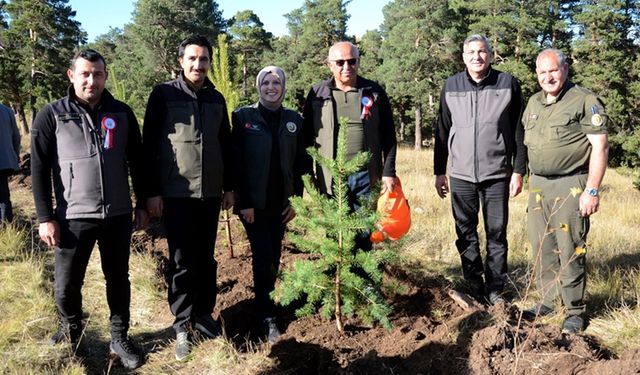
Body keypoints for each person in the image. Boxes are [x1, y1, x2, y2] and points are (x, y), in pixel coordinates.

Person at [30, 49, 146, 369]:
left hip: (118, 214)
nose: (91, 80)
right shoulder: (51, 115)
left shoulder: (121, 113)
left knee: (118, 279)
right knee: (67, 284)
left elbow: (137, 162)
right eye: (84, 74)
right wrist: (45, 217)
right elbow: (38, 170)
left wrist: (142, 203)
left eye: (97, 74)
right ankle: (71, 330)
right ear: (71, 76)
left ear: (105, 76)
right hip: (73, 216)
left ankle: (119, 336)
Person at [142, 35, 234, 361]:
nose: (198, 65)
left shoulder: (217, 98)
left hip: (209, 194)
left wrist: (229, 187)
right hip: (176, 193)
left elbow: (226, 144)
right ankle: (182, 322)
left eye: (204, 59)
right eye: (192, 59)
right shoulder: (163, 95)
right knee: (181, 260)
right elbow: (149, 146)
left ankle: (204, 314)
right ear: (181, 61)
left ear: (210, 62)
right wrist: (150, 193)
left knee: (206, 257)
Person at [433, 34, 526, 305]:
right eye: (472, 52)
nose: (477, 56)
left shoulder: (507, 83)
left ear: (491, 54)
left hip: (497, 174)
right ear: (463, 56)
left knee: (497, 232)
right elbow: (441, 130)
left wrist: (518, 171)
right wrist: (440, 171)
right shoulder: (451, 85)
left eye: (482, 51)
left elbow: (519, 130)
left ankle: (496, 287)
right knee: (465, 232)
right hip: (461, 174)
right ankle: (473, 283)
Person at [521, 49, 608, 334]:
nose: (548, 77)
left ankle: (573, 310)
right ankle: (547, 301)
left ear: (565, 69)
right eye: (542, 72)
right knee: (541, 246)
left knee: (570, 247)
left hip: (571, 185)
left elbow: (600, 147)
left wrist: (592, 190)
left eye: (553, 70)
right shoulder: (533, 102)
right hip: (539, 186)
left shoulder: (584, 100)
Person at [231, 66, 309, 344]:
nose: (271, 86)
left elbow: (301, 163)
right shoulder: (243, 117)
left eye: (277, 82)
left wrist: (297, 200)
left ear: (284, 86)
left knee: (274, 256)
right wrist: (244, 203)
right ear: (258, 86)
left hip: (281, 204)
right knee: (263, 256)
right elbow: (236, 163)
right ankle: (265, 315)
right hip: (254, 205)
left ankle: (268, 301)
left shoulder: (294, 120)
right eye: (266, 82)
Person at [302, 41, 397, 249]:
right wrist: (308, 175)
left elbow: (389, 135)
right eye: (340, 62)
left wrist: (388, 171)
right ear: (329, 65)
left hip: (365, 175)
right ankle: (336, 279)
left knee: (364, 232)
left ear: (358, 62)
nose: (346, 67)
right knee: (334, 235)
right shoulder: (318, 94)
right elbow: (306, 137)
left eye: (351, 61)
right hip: (330, 176)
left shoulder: (373, 91)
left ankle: (361, 280)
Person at [0, 103, 20, 225]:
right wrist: (14, 155)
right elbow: (16, 137)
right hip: (5, 161)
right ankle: (6, 228)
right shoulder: (7, 111)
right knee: (4, 197)